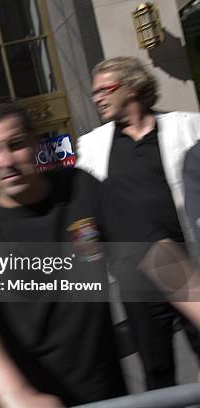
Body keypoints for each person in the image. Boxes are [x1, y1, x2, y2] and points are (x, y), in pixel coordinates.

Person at [0, 98, 126, 407]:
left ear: (35, 142)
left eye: (15, 145)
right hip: (18, 396)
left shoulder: (80, 188)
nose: (5, 161)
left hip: (100, 390)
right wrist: (15, 395)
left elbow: (153, 254)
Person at [76, 56, 200, 390]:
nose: (97, 97)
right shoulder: (91, 146)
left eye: (105, 89)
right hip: (137, 280)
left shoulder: (188, 127)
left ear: (132, 87)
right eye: (94, 92)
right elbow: (85, 213)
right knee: (157, 373)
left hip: (191, 268)